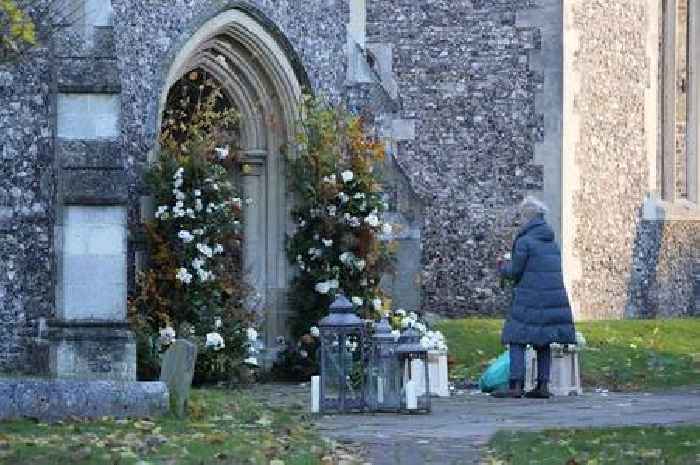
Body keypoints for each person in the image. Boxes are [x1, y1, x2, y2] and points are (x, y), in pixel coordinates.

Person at [493, 197, 576, 399]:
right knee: (543, 341)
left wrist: (502, 266)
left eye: (521, 216)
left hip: (529, 297)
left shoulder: (524, 241)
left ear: (528, 217)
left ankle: (516, 385)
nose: (520, 220)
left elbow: (515, 270)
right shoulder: (551, 242)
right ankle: (542, 385)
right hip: (550, 298)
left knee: (516, 339)